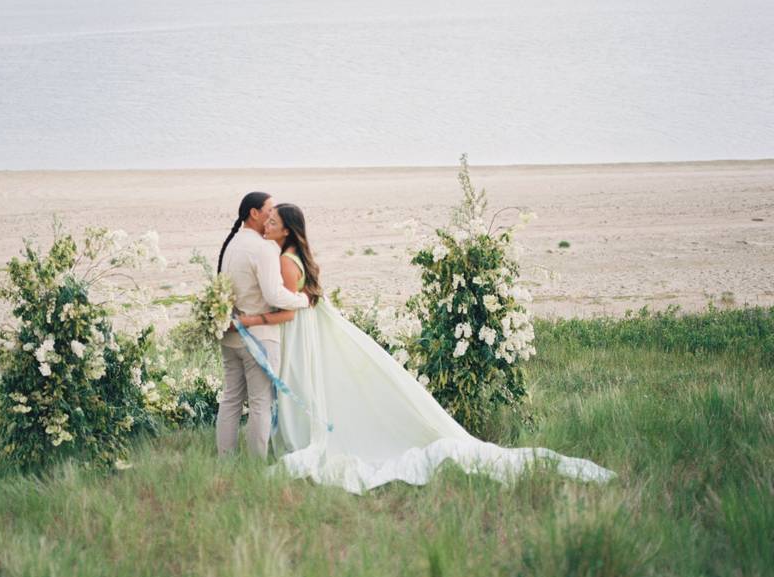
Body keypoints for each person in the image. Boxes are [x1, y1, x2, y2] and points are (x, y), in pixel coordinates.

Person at [235, 203, 616, 495]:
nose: (266, 225)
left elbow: (288, 311)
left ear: (287, 229)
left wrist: (251, 321)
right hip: (307, 331)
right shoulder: (296, 256)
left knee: (300, 390)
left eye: (272, 223)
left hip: (300, 335)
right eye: (265, 221)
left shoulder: (286, 261)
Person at [216, 192, 310, 458]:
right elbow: (274, 295)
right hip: (258, 337)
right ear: (254, 213)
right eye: (268, 210)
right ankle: (255, 464)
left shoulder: (232, 244)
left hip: (230, 333)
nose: (272, 215)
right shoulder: (264, 247)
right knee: (261, 404)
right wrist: (303, 300)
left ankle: (225, 460)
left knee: (231, 399)